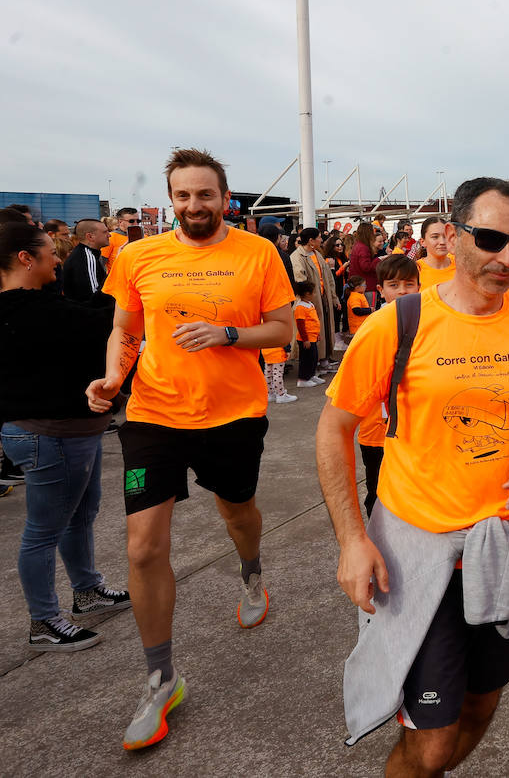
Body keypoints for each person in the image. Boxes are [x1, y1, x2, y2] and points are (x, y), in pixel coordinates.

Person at [317, 177, 509, 775]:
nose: (507, 258)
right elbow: (333, 429)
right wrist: (353, 541)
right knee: (430, 743)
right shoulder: (397, 323)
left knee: (483, 705)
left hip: (506, 549)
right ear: (453, 236)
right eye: (490, 239)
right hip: (418, 557)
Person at [85, 148, 294, 750]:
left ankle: (251, 574)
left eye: (206, 195)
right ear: (171, 198)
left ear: (225, 198)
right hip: (153, 415)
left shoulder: (258, 253)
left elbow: (281, 329)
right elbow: (126, 330)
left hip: (232, 415)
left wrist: (228, 334)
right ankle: (160, 679)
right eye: (183, 196)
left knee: (239, 515)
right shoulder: (139, 254)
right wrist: (111, 379)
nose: (194, 205)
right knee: (144, 546)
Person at [1, 221, 131, 652]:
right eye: (48, 252)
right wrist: (133, 286)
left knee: (80, 515)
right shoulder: (26, 310)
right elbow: (101, 321)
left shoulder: (39, 305)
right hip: (50, 436)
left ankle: (87, 590)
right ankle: (43, 621)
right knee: (44, 530)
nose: (57, 259)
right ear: (25, 258)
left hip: (69, 434)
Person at [356, 255, 420, 518]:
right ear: (380, 290)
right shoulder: (371, 329)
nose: (402, 291)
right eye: (394, 285)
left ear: (419, 286)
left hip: (415, 430)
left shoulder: (428, 324)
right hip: (376, 432)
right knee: (378, 493)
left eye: (409, 284)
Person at [291, 228, 338, 368]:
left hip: (323, 298)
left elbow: (328, 278)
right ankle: (312, 365)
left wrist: (334, 297)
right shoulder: (297, 257)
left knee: (324, 329)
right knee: (312, 331)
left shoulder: (317, 254)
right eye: (318, 237)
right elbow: (300, 281)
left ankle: (323, 358)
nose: (321, 240)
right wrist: (307, 299)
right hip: (309, 301)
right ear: (311, 240)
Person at [62, 218, 113, 305]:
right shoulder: (86, 256)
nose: (109, 235)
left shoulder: (85, 254)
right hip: (88, 314)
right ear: (90, 236)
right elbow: (93, 296)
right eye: (105, 232)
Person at [294, 279, 324, 388]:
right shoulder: (300, 307)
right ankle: (303, 378)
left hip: (312, 337)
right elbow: (301, 325)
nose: (315, 294)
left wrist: (317, 334)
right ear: (307, 294)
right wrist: (305, 339)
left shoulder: (309, 304)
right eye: (313, 292)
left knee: (313, 357)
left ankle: (311, 375)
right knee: (306, 359)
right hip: (305, 339)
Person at [416, 217, 455, 289]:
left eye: (445, 236)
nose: (442, 242)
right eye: (435, 237)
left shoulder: (461, 267)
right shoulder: (415, 270)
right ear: (422, 242)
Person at [350, 222, 383, 307]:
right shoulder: (364, 248)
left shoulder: (357, 246)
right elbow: (366, 267)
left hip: (361, 285)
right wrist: (379, 259)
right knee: (370, 311)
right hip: (367, 286)